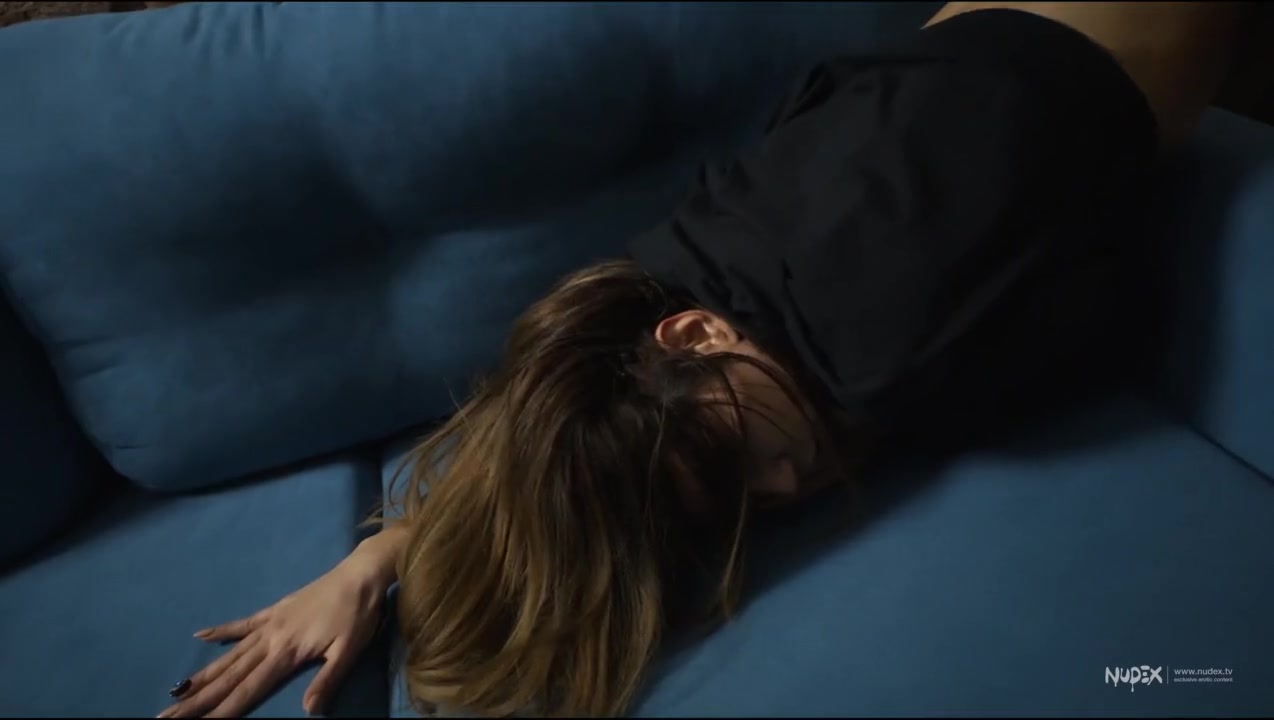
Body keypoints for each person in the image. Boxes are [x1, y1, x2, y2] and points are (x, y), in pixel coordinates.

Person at [157, 2, 1248, 718]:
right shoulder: (625, 312)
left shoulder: (885, 356)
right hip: (970, 47)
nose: (787, 483)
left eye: (742, 462)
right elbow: (554, 448)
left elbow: (1111, 316)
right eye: (743, 492)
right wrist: (368, 563)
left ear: (694, 335)